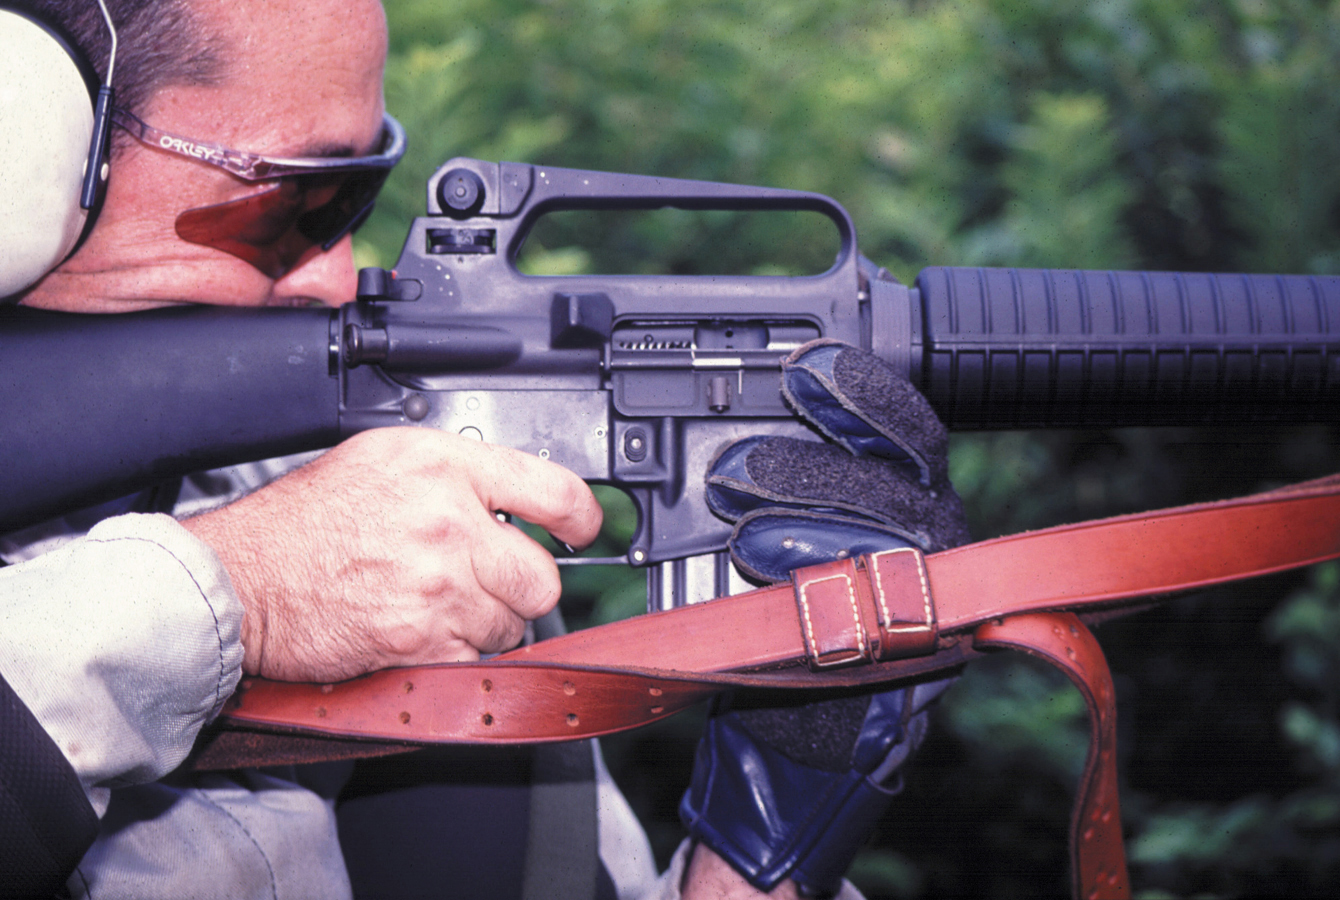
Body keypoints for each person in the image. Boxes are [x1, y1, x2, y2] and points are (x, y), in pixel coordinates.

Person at [1, 1, 957, 897]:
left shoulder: (381, 540)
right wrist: (233, 596)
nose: (341, 276)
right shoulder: (322, 542)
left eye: (356, 194)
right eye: (293, 202)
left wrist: (761, 857)